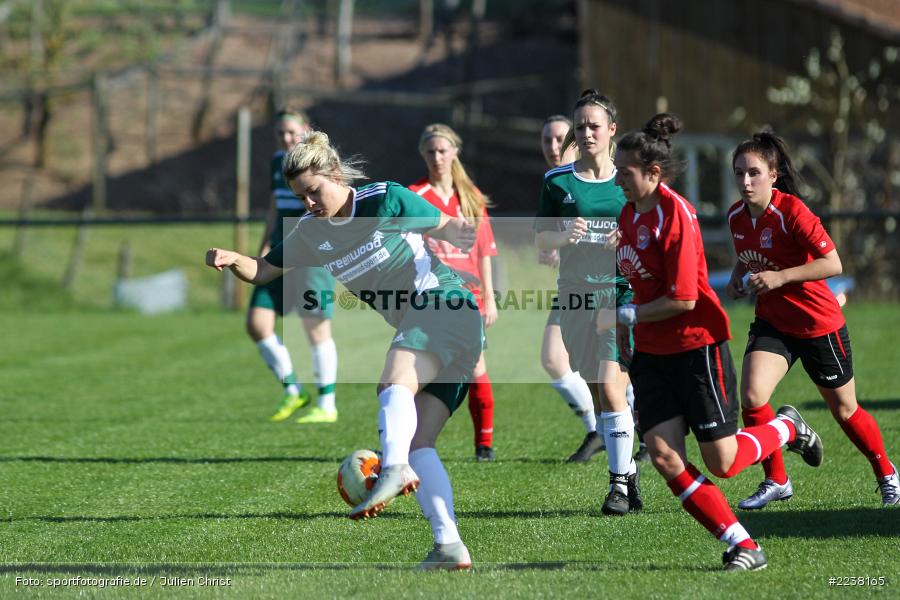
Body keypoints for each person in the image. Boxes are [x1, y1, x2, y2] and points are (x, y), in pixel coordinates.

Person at [206, 131, 482, 571]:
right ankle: (449, 544)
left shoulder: (384, 199)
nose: (309, 203)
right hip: (445, 325)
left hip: (444, 304)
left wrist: (462, 230)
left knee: (393, 385)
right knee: (419, 444)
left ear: (335, 174)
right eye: (301, 197)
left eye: (314, 191)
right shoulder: (311, 233)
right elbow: (263, 271)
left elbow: (444, 224)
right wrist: (232, 258)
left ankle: (392, 471)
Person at [614, 113, 825, 571]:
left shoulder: (678, 216)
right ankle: (743, 545)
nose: (618, 179)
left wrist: (627, 315)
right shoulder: (628, 214)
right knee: (666, 456)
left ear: (652, 173)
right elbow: (634, 283)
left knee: (725, 463)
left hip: (696, 348)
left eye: (624, 172)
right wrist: (624, 338)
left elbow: (685, 299)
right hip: (652, 353)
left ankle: (786, 428)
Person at [725, 131, 899, 508]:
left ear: (773, 174)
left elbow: (834, 263)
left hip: (818, 324)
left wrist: (780, 276)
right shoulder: (736, 215)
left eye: (753, 172)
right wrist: (740, 278)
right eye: (738, 173)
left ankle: (886, 472)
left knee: (845, 411)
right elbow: (748, 252)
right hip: (774, 322)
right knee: (753, 398)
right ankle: (777, 480)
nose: (745, 181)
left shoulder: (793, 213)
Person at [535, 90, 641, 514]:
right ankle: (629, 473)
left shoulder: (629, 179)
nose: (587, 133)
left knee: (613, 390)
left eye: (595, 125)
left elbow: (653, 230)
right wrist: (565, 235)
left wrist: (627, 238)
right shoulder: (557, 181)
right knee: (598, 393)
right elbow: (540, 237)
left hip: (618, 292)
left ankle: (616, 486)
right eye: (581, 127)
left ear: (612, 129)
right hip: (575, 295)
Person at [409, 123, 499, 462]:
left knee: (475, 365)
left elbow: (485, 250)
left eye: (443, 150)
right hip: (429, 296)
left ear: (454, 153)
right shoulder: (414, 196)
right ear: (423, 154)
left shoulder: (470, 197)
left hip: (468, 298)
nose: (436, 157)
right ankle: (406, 438)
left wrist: (489, 297)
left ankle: (484, 445)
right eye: (430, 151)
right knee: (420, 366)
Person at [249, 108, 339, 424]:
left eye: (292, 132)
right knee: (257, 324)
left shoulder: (320, 164)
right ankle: (293, 391)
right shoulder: (278, 162)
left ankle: (327, 403)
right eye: (280, 133)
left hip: (312, 251)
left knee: (314, 326)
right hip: (279, 250)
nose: (286, 138)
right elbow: (275, 204)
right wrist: (263, 245)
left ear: (305, 131)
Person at [537, 115, 600, 460]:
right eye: (546, 140)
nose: (552, 146)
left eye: (559, 137)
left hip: (608, 286)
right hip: (572, 287)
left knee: (615, 364)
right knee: (552, 358)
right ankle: (597, 428)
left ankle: (640, 430)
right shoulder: (554, 183)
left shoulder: (595, 176)